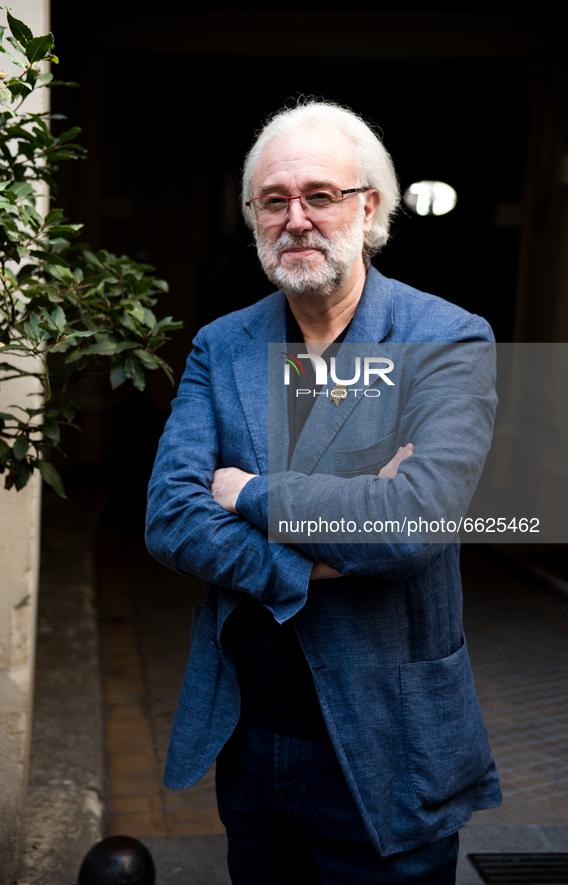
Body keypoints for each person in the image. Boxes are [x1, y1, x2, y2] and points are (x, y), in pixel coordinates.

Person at [145, 100, 501, 884]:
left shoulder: (446, 338)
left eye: (320, 195)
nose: (295, 218)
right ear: (253, 216)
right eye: (273, 200)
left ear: (368, 205)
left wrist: (247, 492)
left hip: (392, 741)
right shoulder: (221, 343)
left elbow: (410, 523)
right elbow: (170, 517)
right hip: (252, 737)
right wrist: (313, 563)